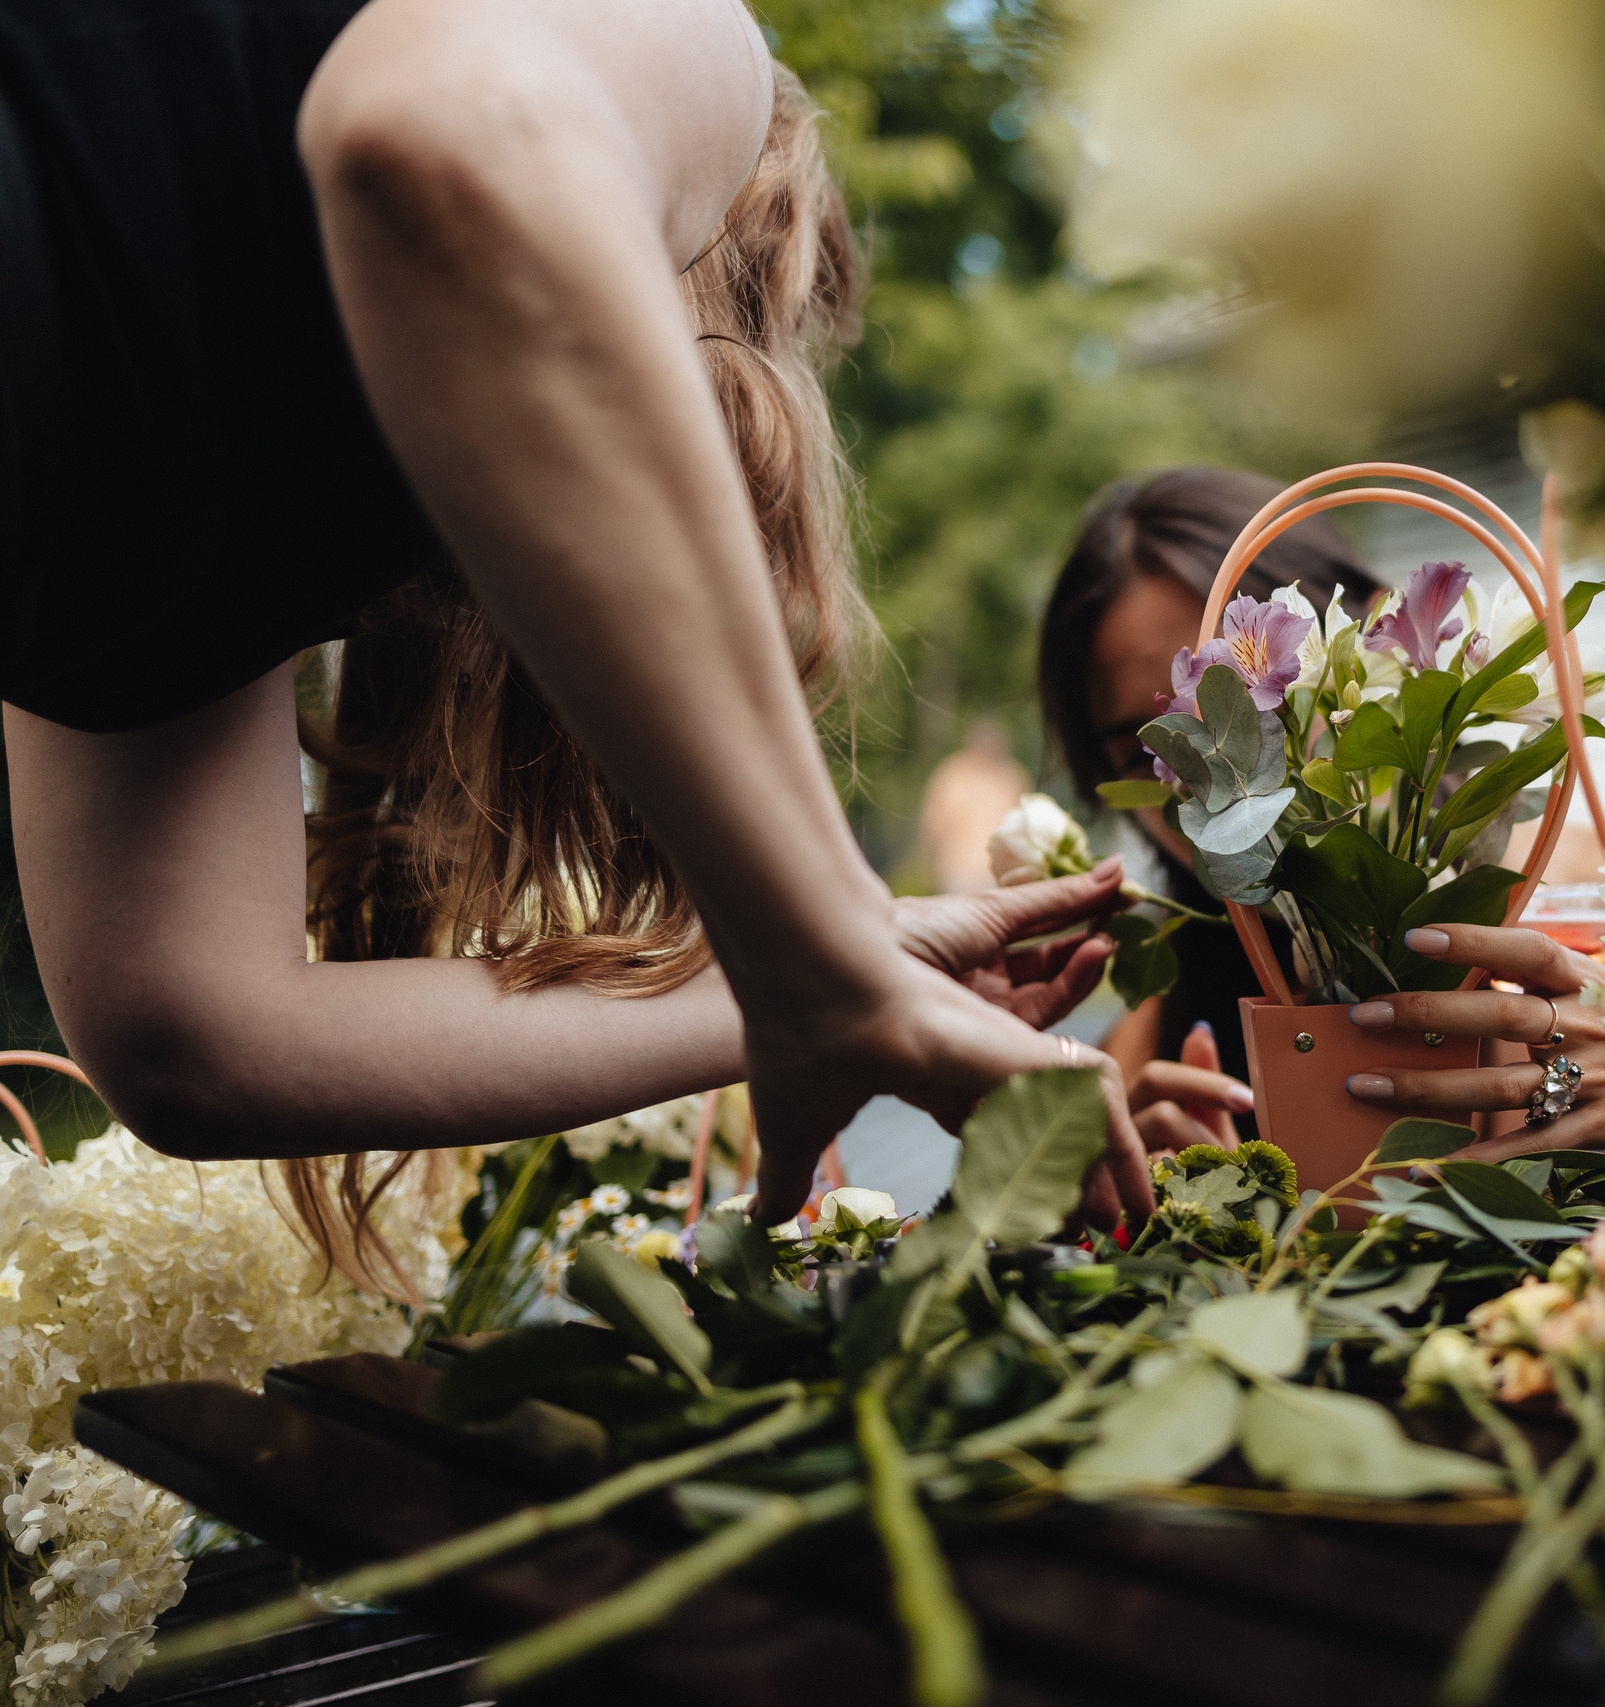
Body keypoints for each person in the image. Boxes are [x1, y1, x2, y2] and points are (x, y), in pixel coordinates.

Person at [0, 0, 1152, 1287]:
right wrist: (817, 944)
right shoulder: (696, 47)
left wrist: (831, 978)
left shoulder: (190, 503)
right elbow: (452, 137)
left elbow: (194, 1031)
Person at [1037, 467, 1605, 1155]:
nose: (1217, 776)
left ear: (1376, 637)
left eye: (1245, 708)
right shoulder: (1158, 1048)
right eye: (1152, 750)